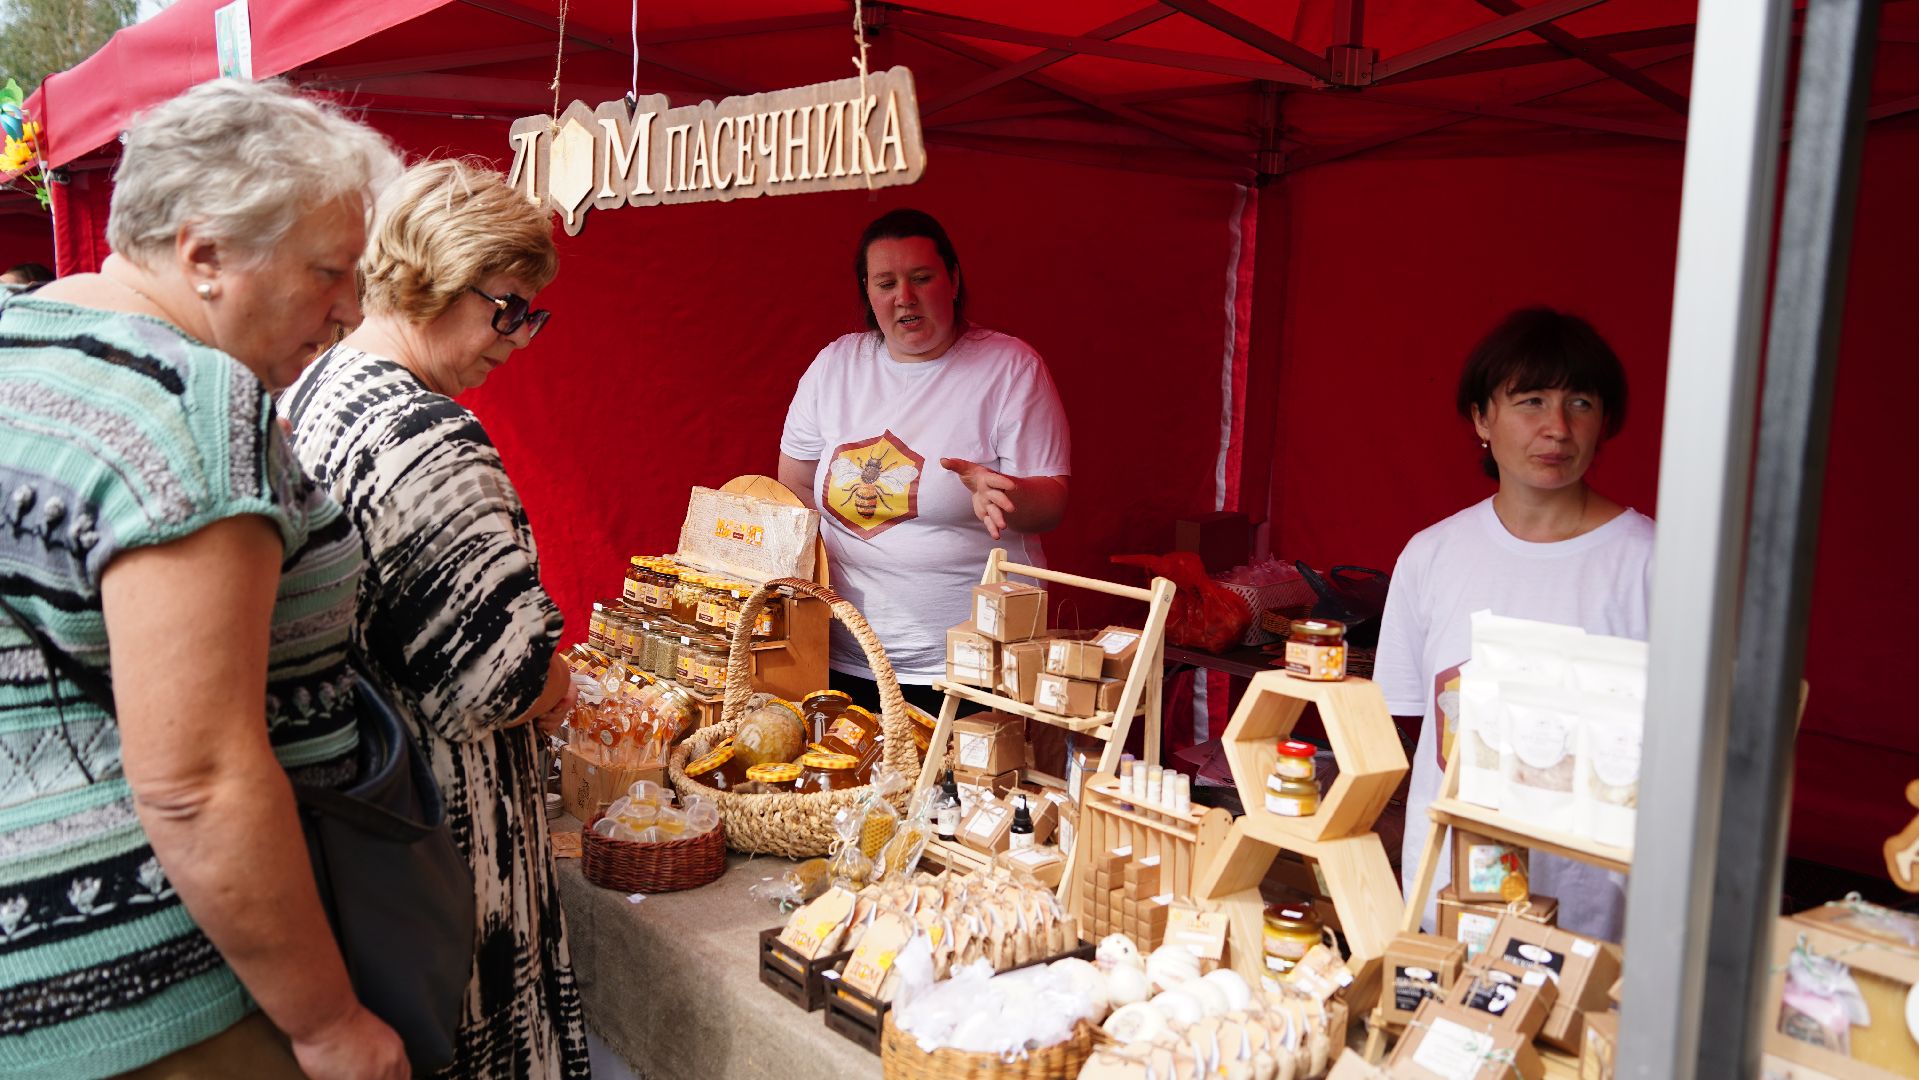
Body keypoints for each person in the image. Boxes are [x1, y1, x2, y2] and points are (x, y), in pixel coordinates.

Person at [0, 79, 406, 1078]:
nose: (350, 312)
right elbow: (197, 782)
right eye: (328, 272)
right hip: (159, 988)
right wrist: (326, 1025)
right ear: (204, 253)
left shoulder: (22, 338)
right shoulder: (187, 394)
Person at [283, 158, 587, 1080]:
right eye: (508, 307)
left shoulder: (317, 388)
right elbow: (505, 678)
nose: (521, 338)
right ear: (438, 272)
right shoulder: (421, 432)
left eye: (531, 313)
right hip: (450, 834)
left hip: (364, 807)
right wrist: (567, 679)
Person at [1373, 306, 1654, 942]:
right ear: (1481, 417)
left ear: (1604, 421)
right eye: (1530, 400)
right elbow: (1407, 731)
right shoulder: (1431, 555)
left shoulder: (1653, 565)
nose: (1556, 428)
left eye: (1580, 402)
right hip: (1448, 903)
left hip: (1594, 914)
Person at [778, 208, 1072, 715]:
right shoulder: (836, 365)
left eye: (921, 278)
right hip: (845, 654)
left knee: (952, 796)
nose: (904, 298)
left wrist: (1007, 494)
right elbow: (796, 485)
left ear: (953, 279)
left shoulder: (1009, 368)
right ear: (868, 294)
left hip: (969, 662)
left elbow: (1053, 501)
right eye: (886, 283)